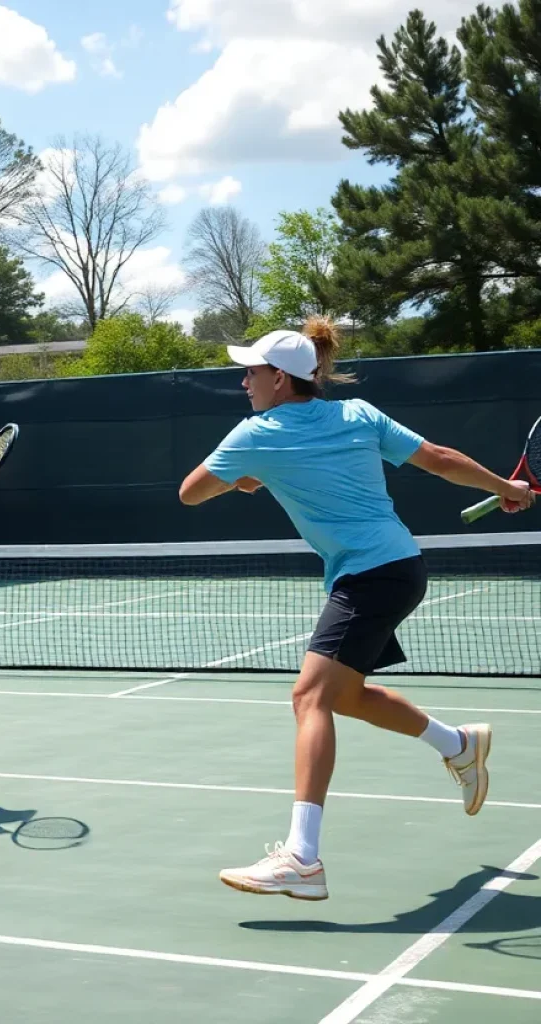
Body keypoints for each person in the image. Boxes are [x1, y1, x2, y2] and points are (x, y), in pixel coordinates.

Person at [179, 318, 535, 902]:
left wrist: (243, 476)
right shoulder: (359, 414)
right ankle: (458, 744)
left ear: (279, 378)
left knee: (309, 698)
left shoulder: (255, 434)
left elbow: (191, 492)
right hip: (398, 567)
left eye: (251, 372)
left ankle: (302, 859)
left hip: (371, 577)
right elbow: (440, 458)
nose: (244, 382)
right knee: (343, 697)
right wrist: (505, 486)